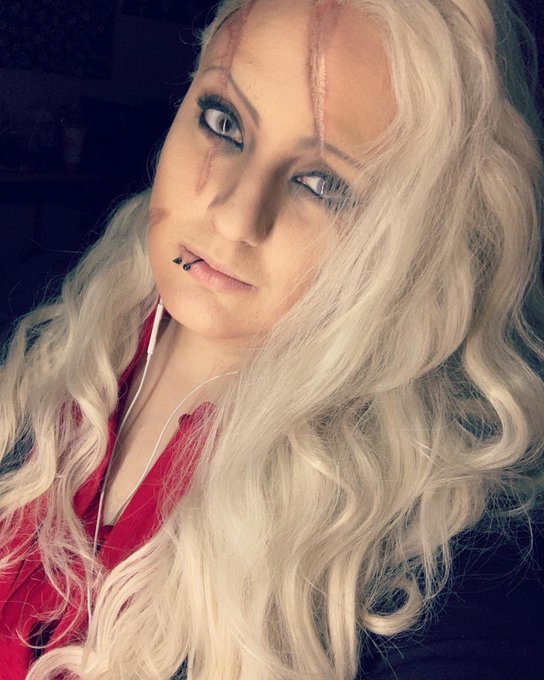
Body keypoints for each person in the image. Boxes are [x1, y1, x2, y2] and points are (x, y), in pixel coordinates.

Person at [0, 0, 543, 678]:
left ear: (418, 242)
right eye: (224, 122)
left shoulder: (430, 549)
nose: (234, 217)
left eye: (322, 183)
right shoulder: (42, 317)